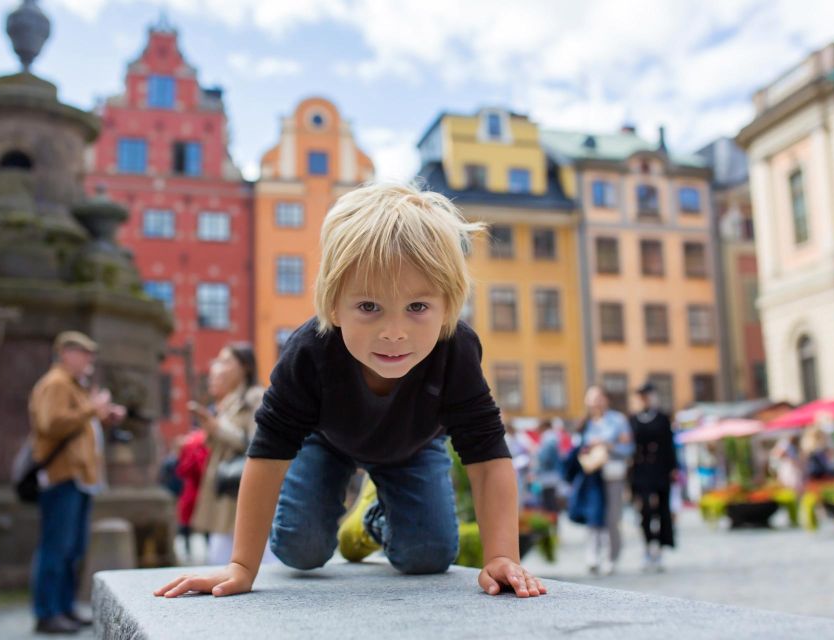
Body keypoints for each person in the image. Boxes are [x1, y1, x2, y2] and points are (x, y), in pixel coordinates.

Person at [155, 182, 546, 600]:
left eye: (417, 307)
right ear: (334, 304)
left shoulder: (456, 348)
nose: (394, 332)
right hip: (325, 441)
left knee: (428, 556)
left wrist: (503, 556)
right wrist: (242, 566)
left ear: (448, 306)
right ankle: (337, 511)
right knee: (298, 551)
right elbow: (267, 453)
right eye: (369, 307)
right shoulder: (308, 351)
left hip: (414, 446)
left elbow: (487, 455)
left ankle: (371, 517)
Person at [29, 331, 125, 635]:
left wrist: (103, 415)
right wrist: (91, 409)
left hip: (79, 478)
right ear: (66, 353)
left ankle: (64, 607)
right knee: (56, 548)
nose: (89, 360)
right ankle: (48, 612)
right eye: (84, 354)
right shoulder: (56, 383)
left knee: (71, 548)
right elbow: (51, 423)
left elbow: (77, 421)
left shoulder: (72, 385)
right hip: (62, 477)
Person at [189, 343, 264, 566]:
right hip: (225, 483)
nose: (218, 368)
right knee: (220, 551)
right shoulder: (227, 400)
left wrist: (217, 427)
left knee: (235, 551)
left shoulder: (255, 396)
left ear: (245, 367)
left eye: (226, 361)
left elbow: (257, 443)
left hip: (239, 484)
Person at [579, 385, 634, 576]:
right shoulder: (585, 422)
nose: (595, 401)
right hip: (591, 474)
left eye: (598, 397)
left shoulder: (617, 420)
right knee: (594, 516)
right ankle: (593, 555)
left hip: (612, 473)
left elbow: (628, 448)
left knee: (612, 517)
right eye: (591, 397)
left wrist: (608, 445)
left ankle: (611, 557)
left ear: (606, 399)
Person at [629, 382, 678, 572]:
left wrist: (673, 469)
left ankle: (660, 547)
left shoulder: (662, 418)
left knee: (662, 510)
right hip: (641, 470)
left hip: (660, 469)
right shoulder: (633, 419)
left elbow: (669, 445)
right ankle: (648, 546)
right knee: (645, 510)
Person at [174, 428, 209, 561]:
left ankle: (187, 550)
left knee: (187, 520)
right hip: (202, 488)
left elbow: (182, 469)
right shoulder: (201, 440)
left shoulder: (189, 442)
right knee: (205, 520)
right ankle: (206, 548)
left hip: (192, 488)